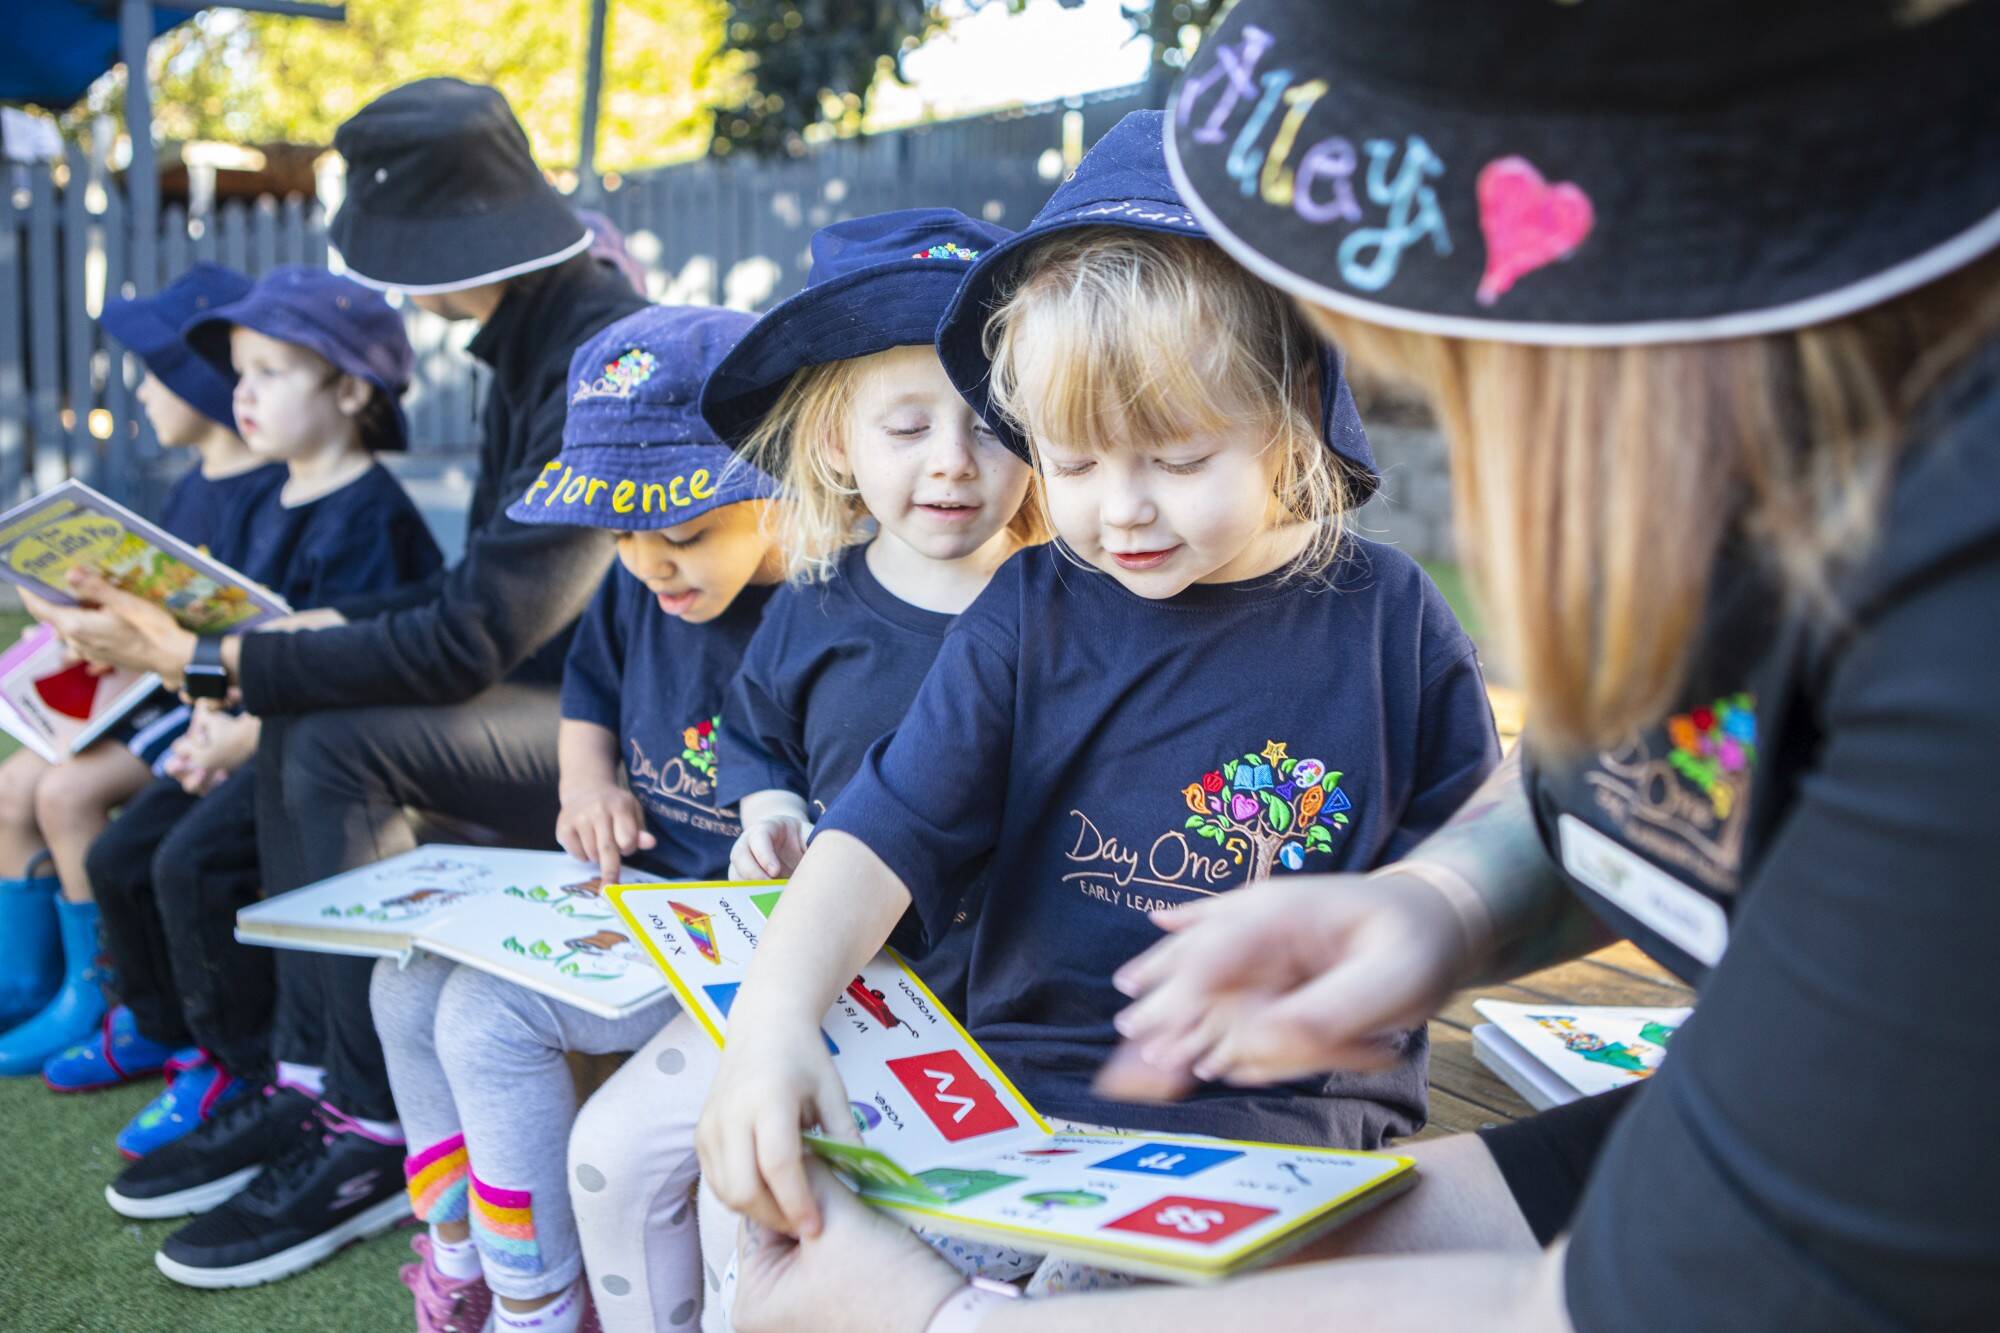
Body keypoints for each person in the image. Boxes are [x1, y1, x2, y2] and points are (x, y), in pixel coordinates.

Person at [728, 3, 2000, 1331]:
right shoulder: (1804, 506)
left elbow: (1660, 1289)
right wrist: (1441, 911)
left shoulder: (1954, 630)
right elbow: (1619, 798)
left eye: (1438, 374)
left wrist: (948, 1325)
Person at [697, 108, 1499, 1297]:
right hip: (1005, 1103)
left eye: (1174, 460)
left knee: (1082, 1297)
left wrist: (1378, 942)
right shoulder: (1029, 607)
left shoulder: (1389, 618)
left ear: (1284, 423)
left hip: (1274, 1124)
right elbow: (879, 834)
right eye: (1069, 461)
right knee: (783, 1238)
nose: (1119, 508)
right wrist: (770, 1023)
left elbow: (1485, 862)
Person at [47, 77, 646, 1286]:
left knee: (334, 735)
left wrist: (212, 658)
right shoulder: (534, 334)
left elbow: (476, 638)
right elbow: (479, 593)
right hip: (553, 690)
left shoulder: (590, 348)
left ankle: (370, 1125)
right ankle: (317, 1080)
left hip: (616, 739)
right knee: (311, 704)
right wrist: (304, 632)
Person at [563, 208, 1038, 1333]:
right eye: (907, 426)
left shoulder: (1061, 610)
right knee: (610, 1151)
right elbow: (757, 728)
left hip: (980, 1016)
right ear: (837, 445)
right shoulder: (814, 601)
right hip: (813, 983)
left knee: (774, 1214)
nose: (951, 465)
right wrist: (768, 805)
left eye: (988, 424)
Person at [376, 304, 784, 1333]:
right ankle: (461, 1253)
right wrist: (585, 787)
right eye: (622, 533)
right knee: (404, 978)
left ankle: (537, 1300)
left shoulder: (816, 618)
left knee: (482, 1018)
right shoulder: (639, 588)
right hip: (625, 894)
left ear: (774, 481)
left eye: (683, 530)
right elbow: (588, 698)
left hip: (719, 936)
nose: (651, 563)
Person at [56, 266, 443, 1165]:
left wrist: (242, 734)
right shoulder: (267, 495)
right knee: (120, 853)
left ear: (350, 391)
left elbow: (364, 678)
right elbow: (231, 647)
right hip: (243, 737)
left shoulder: (371, 518)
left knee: (192, 861)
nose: (243, 393)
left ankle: (237, 1063)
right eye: (241, 371)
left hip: (316, 757)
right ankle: (164, 1028)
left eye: (270, 371)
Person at [0, 263, 283, 1078]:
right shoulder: (189, 485)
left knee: (63, 791)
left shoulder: (261, 490)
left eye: (158, 377)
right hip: (145, 689)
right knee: (17, 785)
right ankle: (38, 978)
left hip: (198, 700)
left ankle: (107, 991)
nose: (144, 395)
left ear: (200, 387)